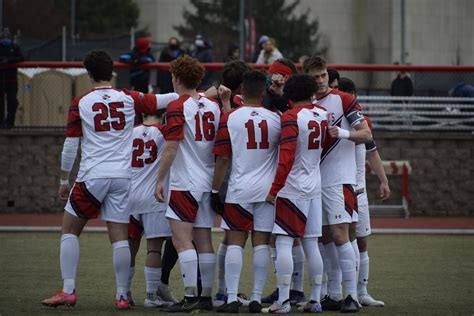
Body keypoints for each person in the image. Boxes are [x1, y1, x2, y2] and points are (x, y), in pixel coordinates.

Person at [40, 50, 173, 310]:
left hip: (93, 176)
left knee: (69, 230)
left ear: (88, 73)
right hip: (123, 178)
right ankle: (122, 295)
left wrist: (63, 181)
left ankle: (68, 290)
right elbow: (164, 99)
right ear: (111, 71)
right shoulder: (129, 98)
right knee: (120, 237)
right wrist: (198, 94)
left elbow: (70, 146)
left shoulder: (81, 102)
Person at [302, 55, 373, 313]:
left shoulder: (343, 99)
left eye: (323, 75)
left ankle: (352, 296)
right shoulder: (304, 102)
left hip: (338, 180)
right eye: (315, 77)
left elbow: (366, 134)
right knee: (322, 238)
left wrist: (342, 132)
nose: (320, 81)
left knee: (340, 235)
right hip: (313, 181)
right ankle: (331, 294)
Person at [154, 55, 222, 312]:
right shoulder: (212, 106)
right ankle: (205, 297)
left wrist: (159, 179)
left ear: (177, 78)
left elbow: (171, 147)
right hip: (207, 178)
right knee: (204, 239)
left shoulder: (176, 106)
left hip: (185, 181)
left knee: (182, 240)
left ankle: (191, 297)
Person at [212, 70, 281, 313]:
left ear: (241, 90)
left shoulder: (229, 118)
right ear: (264, 92)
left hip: (239, 189)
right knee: (261, 243)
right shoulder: (276, 119)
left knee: (235, 242)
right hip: (267, 191)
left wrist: (214, 190)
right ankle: (254, 297)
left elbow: (222, 159)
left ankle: (231, 297)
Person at [262, 73, 328, 314]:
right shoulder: (321, 114)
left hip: (293, 187)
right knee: (311, 243)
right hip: (314, 185)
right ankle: (316, 299)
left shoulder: (291, 117)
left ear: (290, 93)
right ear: (311, 91)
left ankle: (284, 301)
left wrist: (274, 190)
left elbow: (287, 157)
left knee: (283, 241)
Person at [338, 77, 390, 307]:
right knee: (338, 241)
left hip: (359, 192)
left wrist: (383, 180)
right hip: (338, 190)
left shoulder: (362, 123)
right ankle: (337, 292)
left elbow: (372, 152)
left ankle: (362, 291)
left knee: (361, 242)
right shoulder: (330, 120)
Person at [125, 108, 179, 308]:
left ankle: (123, 293)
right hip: (154, 198)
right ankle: (150, 296)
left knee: (128, 247)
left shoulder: (129, 132)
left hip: (129, 197)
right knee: (154, 249)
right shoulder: (166, 133)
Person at [0, 28, 24, 128]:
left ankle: (9, 122)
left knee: (12, 100)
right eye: (4, 36)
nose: (5, 37)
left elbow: (21, 58)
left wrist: (9, 61)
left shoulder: (14, 47)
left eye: (7, 36)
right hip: (1, 79)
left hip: (11, 79)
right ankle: (1, 123)